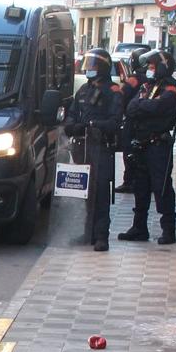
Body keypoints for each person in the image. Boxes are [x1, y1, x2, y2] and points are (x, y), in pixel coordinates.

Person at [64, 51, 124, 251]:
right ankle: (87, 232)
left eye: (93, 65)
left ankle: (101, 236)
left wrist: (93, 125)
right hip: (82, 148)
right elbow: (72, 114)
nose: (88, 69)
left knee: (100, 194)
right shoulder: (83, 90)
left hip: (101, 149)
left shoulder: (113, 92)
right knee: (85, 193)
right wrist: (72, 126)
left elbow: (115, 122)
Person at [118, 51, 176, 244]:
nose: (149, 70)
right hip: (141, 145)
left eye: (153, 66)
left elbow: (158, 108)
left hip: (158, 146)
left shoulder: (171, 90)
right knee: (141, 187)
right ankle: (139, 228)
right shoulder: (147, 86)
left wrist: (143, 106)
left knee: (161, 188)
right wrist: (146, 105)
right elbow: (131, 107)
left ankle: (168, 230)